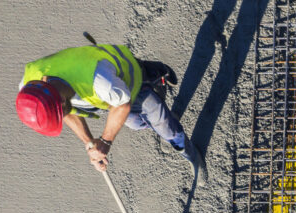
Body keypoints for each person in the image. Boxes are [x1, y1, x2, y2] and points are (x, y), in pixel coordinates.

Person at [16, 43, 207, 186]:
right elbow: (67, 113)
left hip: (130, 82)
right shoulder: (31, 86)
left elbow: (122, 105)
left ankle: (190, 153)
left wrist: (105, 142)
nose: (62, 117)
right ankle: (154, 81)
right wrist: (91, 145)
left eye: (60, 112)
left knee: (166, 127)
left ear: (60, 100)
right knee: (137, 124)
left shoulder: (100, 81)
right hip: (109, 95)